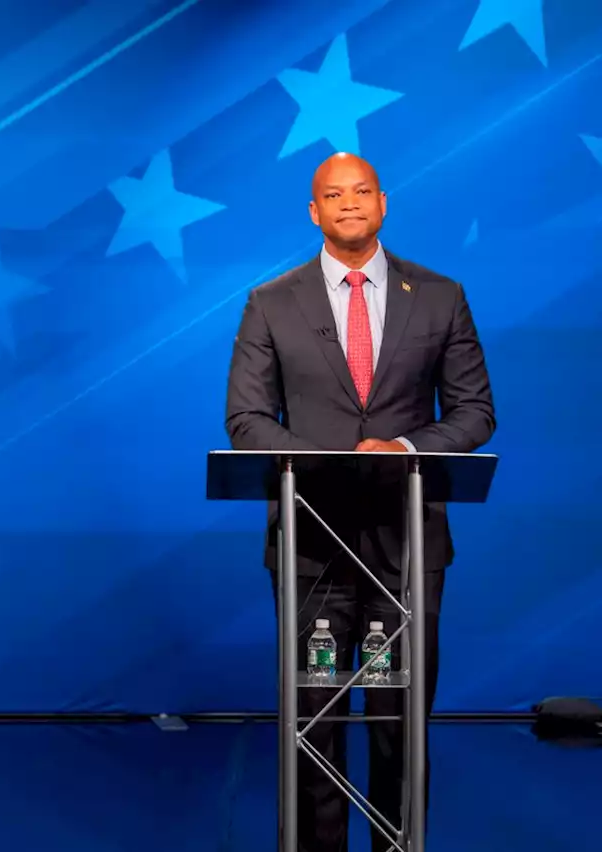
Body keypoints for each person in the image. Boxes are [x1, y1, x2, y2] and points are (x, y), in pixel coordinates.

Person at [223, 152, 495, 852]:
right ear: (314, 211)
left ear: (383, 203)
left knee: (399, 723)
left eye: (362, 191)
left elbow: (474, 413)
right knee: (314, 721)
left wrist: (403, 448)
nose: (349, 203)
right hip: (311, 548)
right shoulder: (270, 302)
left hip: (406, 545)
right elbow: (246, 421)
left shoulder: (439, 295)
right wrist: (334, 462)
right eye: (332, 195)